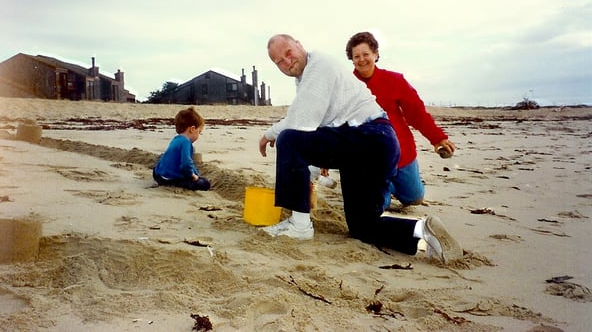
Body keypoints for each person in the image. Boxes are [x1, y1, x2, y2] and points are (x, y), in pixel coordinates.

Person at [258, 34, 462, 263]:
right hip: (368, 147)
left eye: (288, 53)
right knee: (363, 227)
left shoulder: (319, 65)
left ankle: (299, 226)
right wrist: (311, 175)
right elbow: (318, 129)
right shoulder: (307, 79)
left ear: (299, 44)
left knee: (288, 138)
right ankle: (423, 230)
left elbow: (300, 123)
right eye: (279, 62)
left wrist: (268, 135)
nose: (287, 62)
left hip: (370, 137)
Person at [345, 31, 456, 208]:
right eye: (356, 56)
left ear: (376, 54)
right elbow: (335, 118)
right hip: (368, 157)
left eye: (366, 54)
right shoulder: (346, 84)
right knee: (380, 204)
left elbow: (416, 113)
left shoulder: (394, 80)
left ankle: (397, 185)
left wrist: (437, 138)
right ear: (351, 59)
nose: (362, 59)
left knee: (414, 199)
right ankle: (383, 188)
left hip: (401, 152)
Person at [153, 107, 211, 191]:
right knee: (205, 183)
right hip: (170, 180)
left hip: (158, 175)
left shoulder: (176, 139)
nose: (199, 135)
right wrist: (194, 176)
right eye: (199, 132)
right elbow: (186, 164)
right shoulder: (186, 143)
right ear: (192, 129)